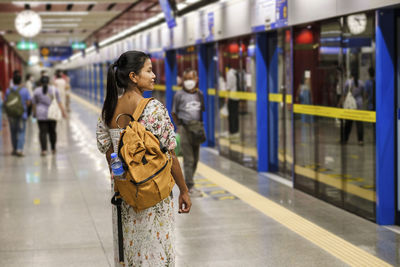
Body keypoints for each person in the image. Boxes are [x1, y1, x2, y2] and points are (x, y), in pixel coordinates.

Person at [96, 51, 191, 266]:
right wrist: (183, 190)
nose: (154, 75)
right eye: (149, 70)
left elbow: (108, 150)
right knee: (156, 251)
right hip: (153, 192)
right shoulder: (154, 109)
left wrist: (124, 177)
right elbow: (170, 155)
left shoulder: (108, 109)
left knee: (129, 250)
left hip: (123, 194)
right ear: (133, 77)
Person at [172, 69, 205, 197]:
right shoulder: (179, 95)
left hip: (197, 129)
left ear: (196, 79)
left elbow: (201, 111)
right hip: (185, 129)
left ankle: (190, 183)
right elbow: (174, 112)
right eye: (186, 79)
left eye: (191, 78)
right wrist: (179, 126)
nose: (188, 82)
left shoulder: (200, 94)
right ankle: (189, 186)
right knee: (189, 159)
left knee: (196, 158)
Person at [32, 76, 67, 156]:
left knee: (42, 132)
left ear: (40, 82)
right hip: (52, 114)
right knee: (52, 132)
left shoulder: (36, 91)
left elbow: (34, 103)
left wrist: (34, 114)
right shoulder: (54, 90)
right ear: (49, 82)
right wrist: (63, 112)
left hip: (41, 115)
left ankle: (44, 150)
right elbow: (59, 102)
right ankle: (53, 148)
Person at [4, 71, 32, 156]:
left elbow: (6, 102)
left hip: (11, 115)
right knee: (21, 131)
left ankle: (14, 149)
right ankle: (19, 150)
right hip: (21, 114)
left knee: (13, 132)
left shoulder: (8, 90)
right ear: (20, 81)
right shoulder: (24, 90)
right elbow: (28, 102)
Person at [339, 69, 365, 145]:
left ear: (351, 75)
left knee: (348, 123)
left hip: (350, 106)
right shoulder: (361, 83)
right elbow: (363, 94)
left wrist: (341, 103)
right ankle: (360, 140)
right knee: (359, 124)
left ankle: (345, 139)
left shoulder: (348, 82)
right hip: (359, 105)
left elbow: (344, 94)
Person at [226, 65, 240, 137]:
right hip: (237, 96)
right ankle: (236, 130)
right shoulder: (236, 73)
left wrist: (226, 96)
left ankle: (232, 131)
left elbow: (229, 86)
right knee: (235, 114)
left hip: (231, 96)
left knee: (231, 115)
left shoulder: (229, 74)